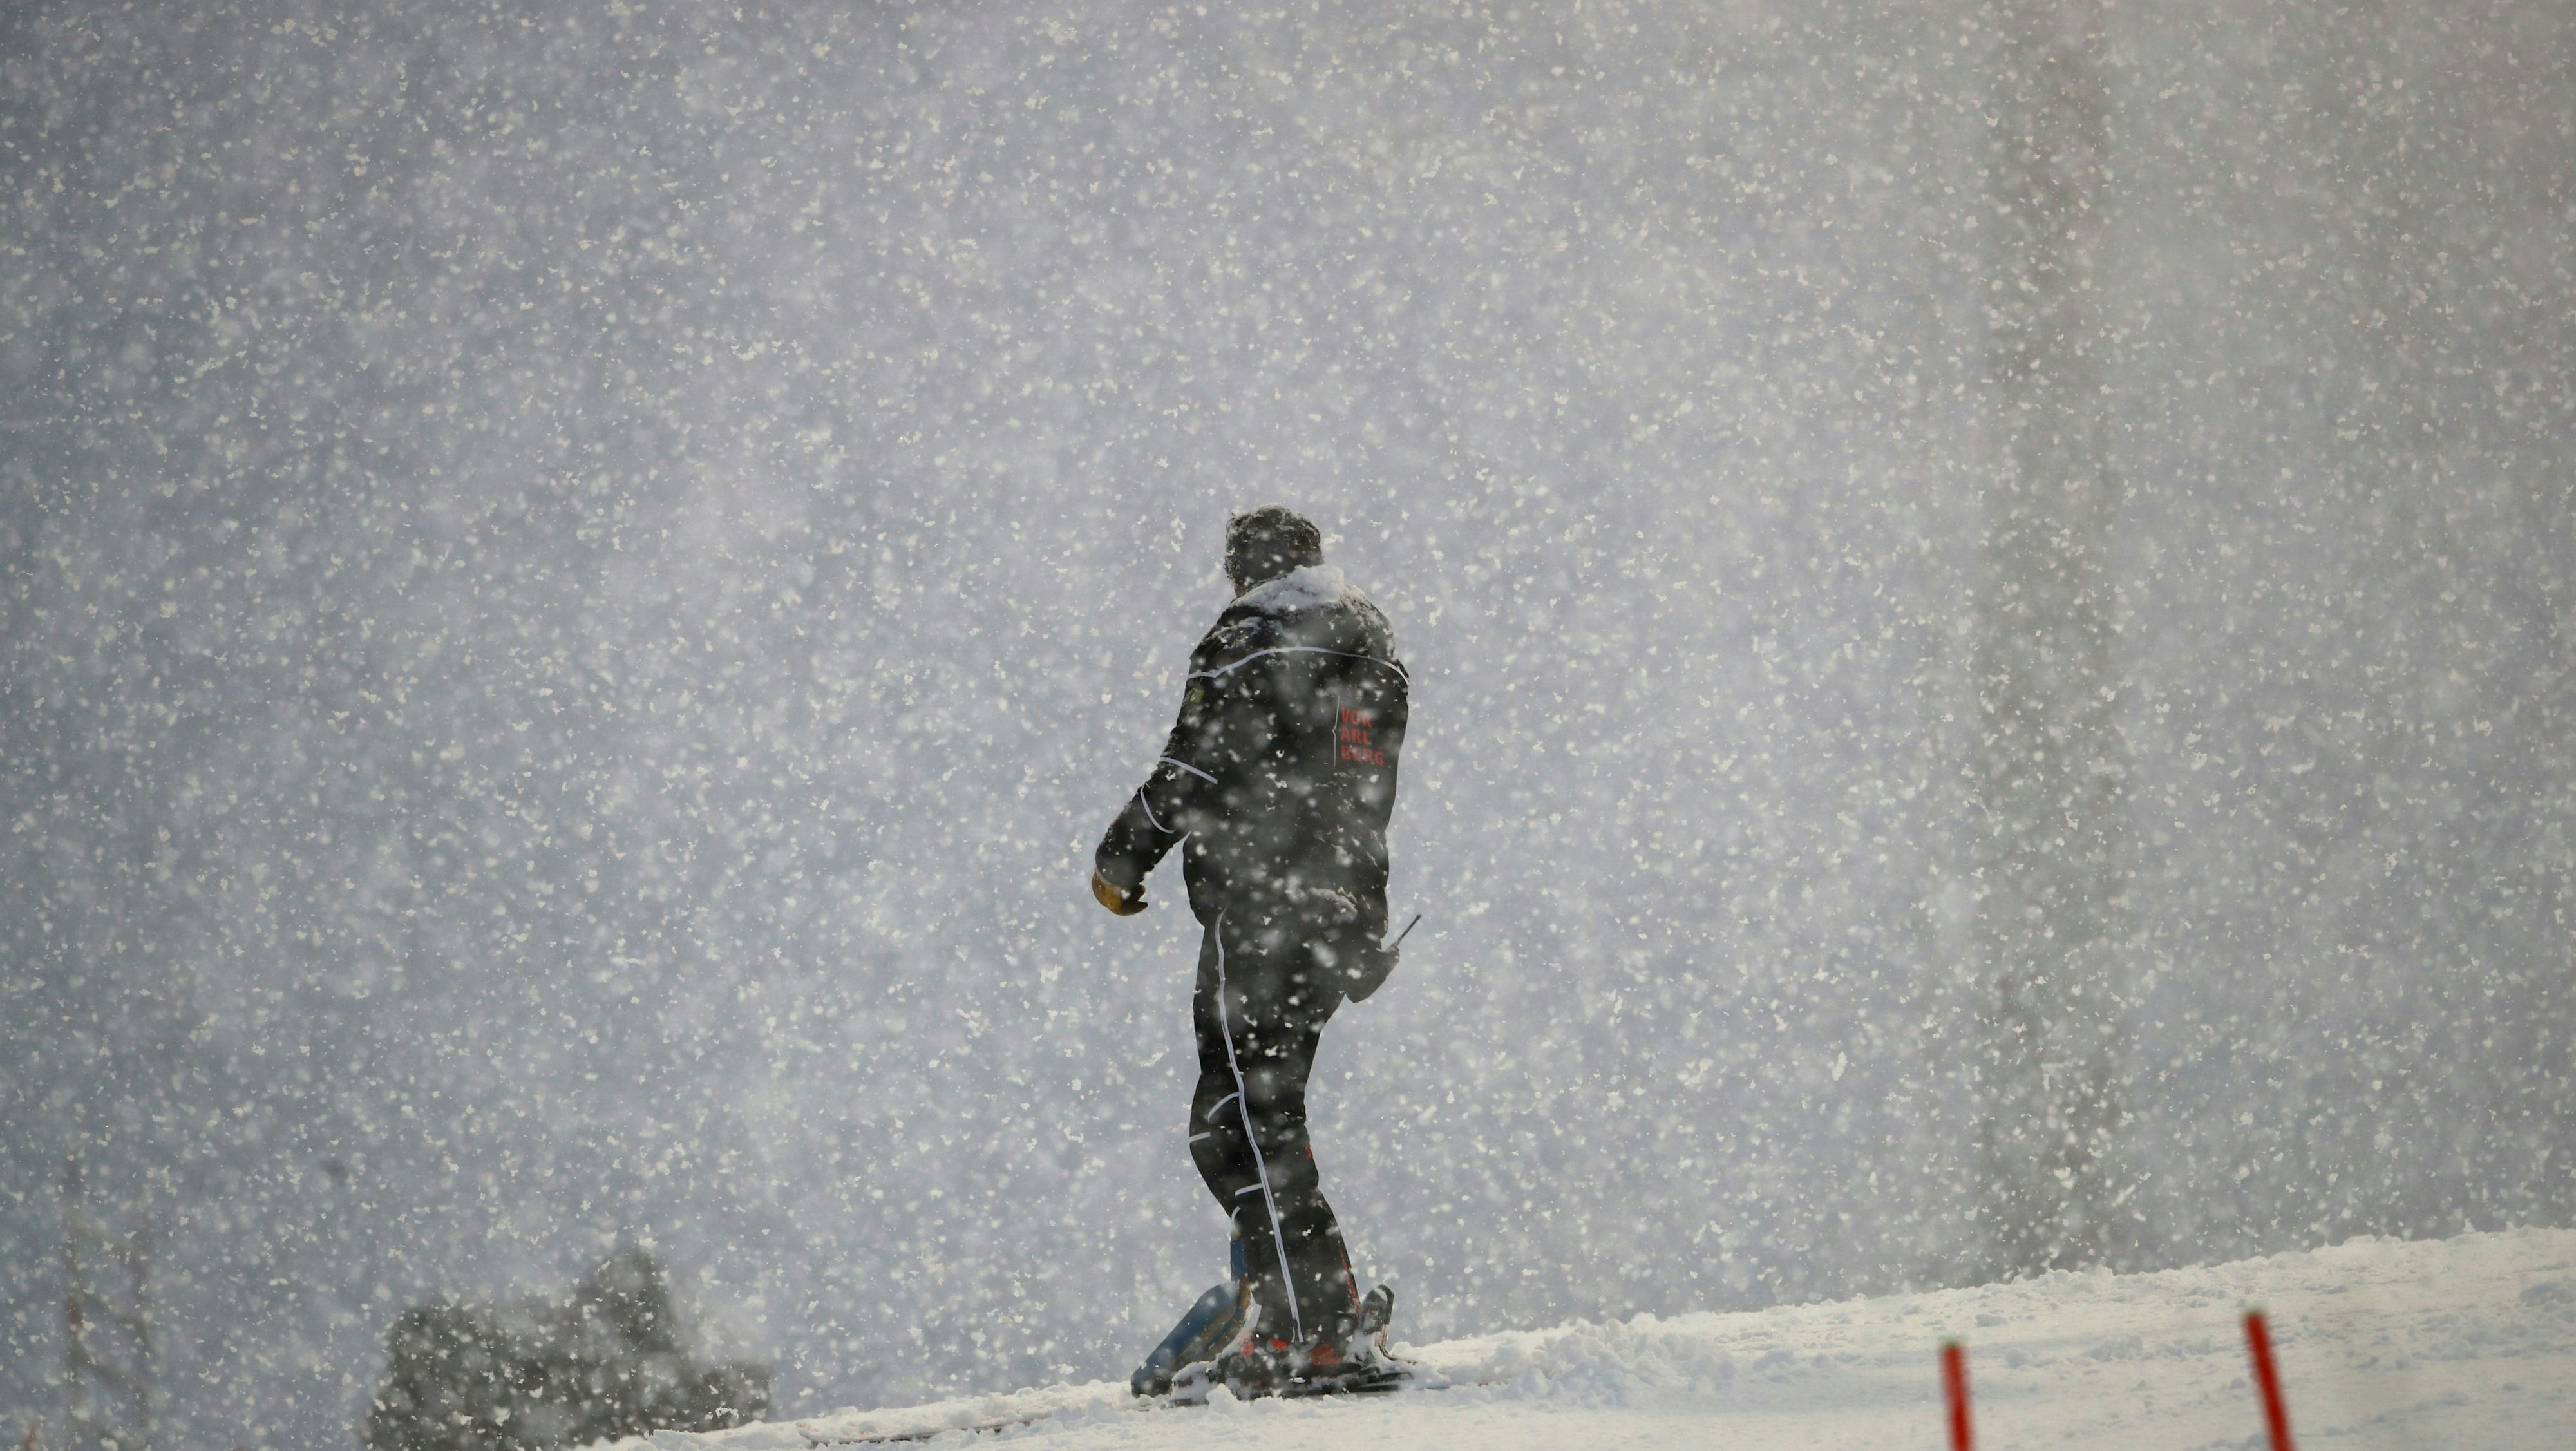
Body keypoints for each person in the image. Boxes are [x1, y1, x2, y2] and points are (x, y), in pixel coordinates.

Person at [1092, 505, 1411, 1395]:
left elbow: (1194, 767)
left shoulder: (1251, 632)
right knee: (1268, 1111)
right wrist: (1356, 912)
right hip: (1339, 906)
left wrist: (1121, 855)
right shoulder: (1372, 645)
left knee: (1233, 1121)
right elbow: (1368, 783)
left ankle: (1311, 1323)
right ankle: (1312, 1303)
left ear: (1244, 571)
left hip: (1262, 902)